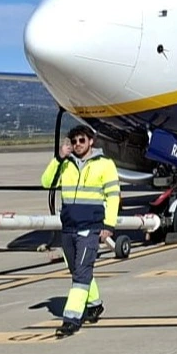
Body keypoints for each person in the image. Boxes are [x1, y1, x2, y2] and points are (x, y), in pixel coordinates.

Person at [43, 125, 122, 337]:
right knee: (77, 269)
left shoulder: (105, 164)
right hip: (69, 227)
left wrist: (109, 226)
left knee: (81, 273)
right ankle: (95, 304)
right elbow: (46, 182)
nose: (77, 144)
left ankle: (71, 319)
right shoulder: (65, 164)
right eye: (74, 141)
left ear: (91, 141)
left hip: (90, 228)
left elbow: (113, 196)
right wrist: (58, 158)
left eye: (81, 140)